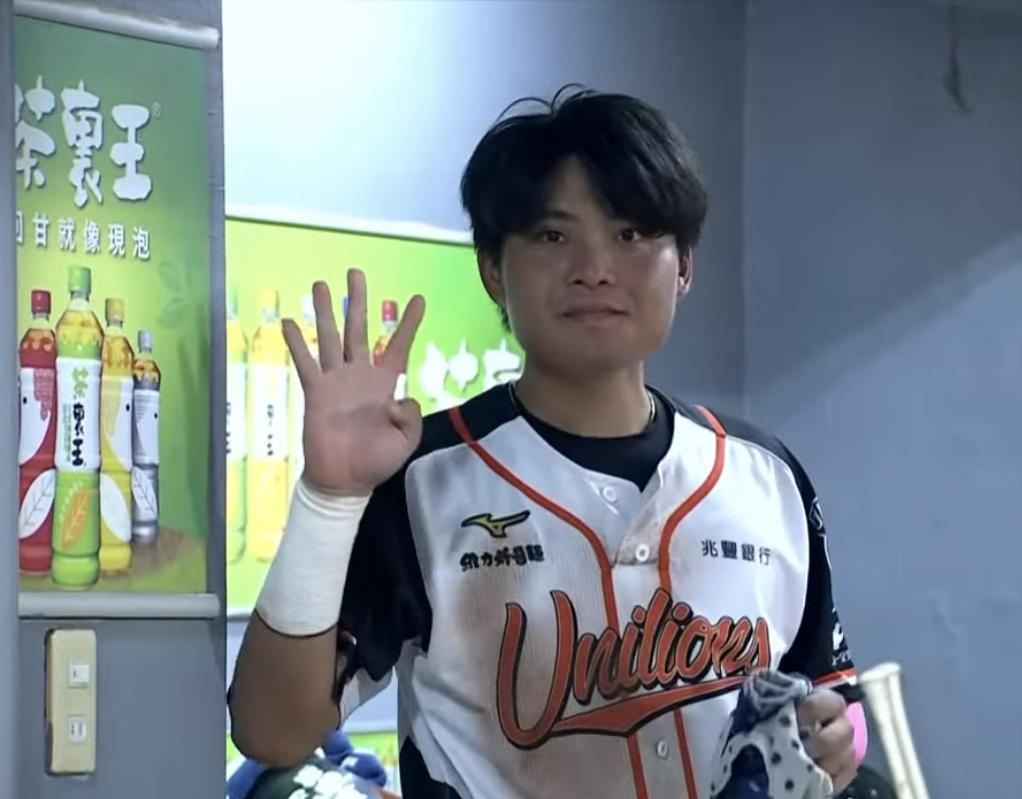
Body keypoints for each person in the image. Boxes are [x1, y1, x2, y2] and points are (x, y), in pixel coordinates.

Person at [229, 87, 865, 799]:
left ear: (684, 264)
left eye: (631, 233)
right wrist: (328, 498)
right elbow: (270, 732)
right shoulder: (421, 480)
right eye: (552, 236)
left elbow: (835, 698)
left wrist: (839, 734)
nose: (595, 267)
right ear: (492, 269)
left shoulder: (766, 475)